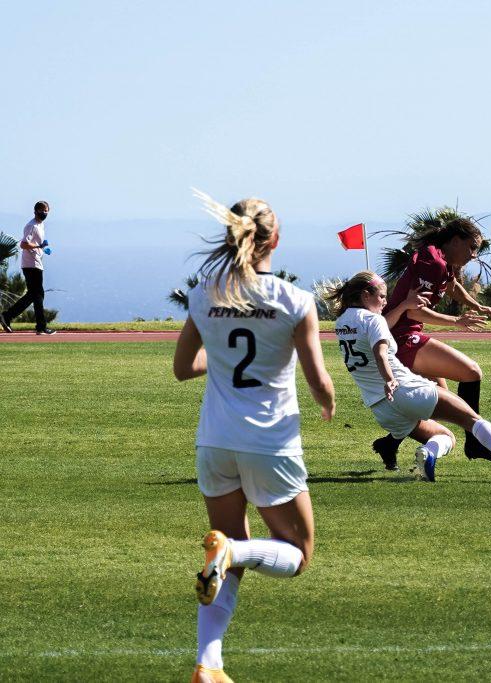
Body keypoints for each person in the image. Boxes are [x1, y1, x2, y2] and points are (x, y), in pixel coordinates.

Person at [173, 190, 336, 683]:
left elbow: (183, 368)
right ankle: (231, 553)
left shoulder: (205, 293)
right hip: (270, 441)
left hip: (214, 441)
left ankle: (209, 662)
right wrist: (329, 402)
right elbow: (317, 378)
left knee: (227, 548)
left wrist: (221, 363)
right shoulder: (294, 299)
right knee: (298, 553)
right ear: (275, 240)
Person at [327, 270, 491, 482]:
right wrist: (389, 379)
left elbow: (372, 337)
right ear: (366, 295)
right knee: (472, 419)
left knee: (446, 437)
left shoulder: (343, 323)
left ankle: (427, 453)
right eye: (382, 296)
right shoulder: (373, 319)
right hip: (405, 390)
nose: (385, 301)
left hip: (381, 408)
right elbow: (380, 353)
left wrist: (403, 306)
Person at [371, 216, 491, 470]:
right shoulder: (433, 262)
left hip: (403, 337)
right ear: (455, 241)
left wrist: (478, 306)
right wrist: (457, 320)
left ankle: (389, 444)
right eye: (472, 247)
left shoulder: (441, 260)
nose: (474, 255)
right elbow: (414, 313)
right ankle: (475, 444)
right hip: (402, 339)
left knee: (437, 403)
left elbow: (451, 285)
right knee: (471, 373)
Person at [0, 201, 56, 335]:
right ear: (35, 211)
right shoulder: (31, 226)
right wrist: (38, 247)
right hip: (30, 264)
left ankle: (7, 316)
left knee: (33, 295)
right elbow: (24, 244)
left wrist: (42, 248)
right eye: (42, 210)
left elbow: (35, 243)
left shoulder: (41, 225)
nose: (44, 213)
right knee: (38, 295)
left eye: (46, 210)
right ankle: (41, 327)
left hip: (36, 262)